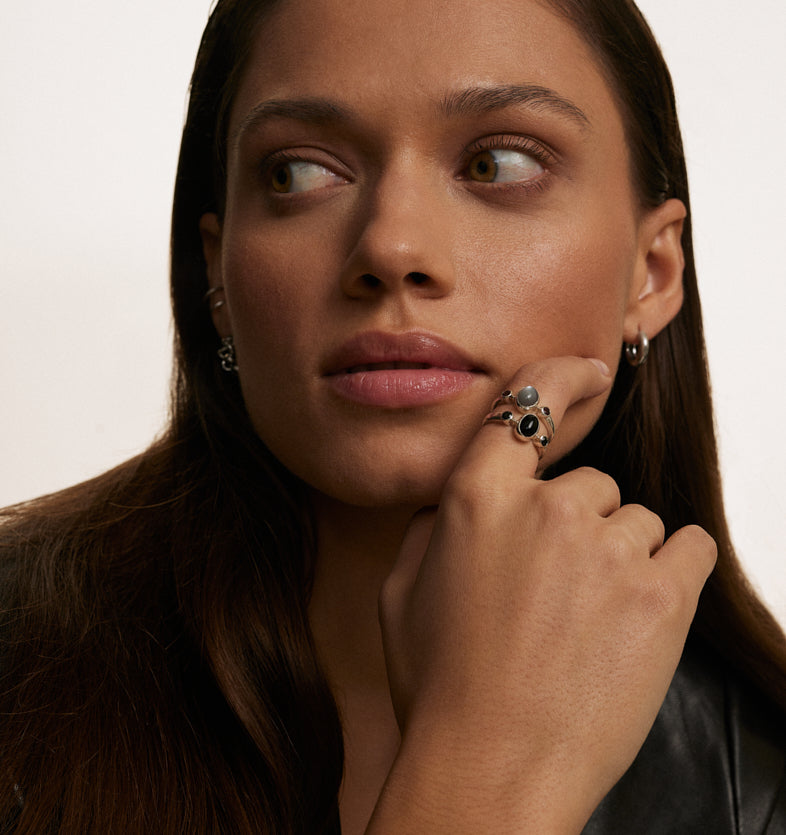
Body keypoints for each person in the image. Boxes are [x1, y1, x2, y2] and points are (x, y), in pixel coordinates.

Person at [2, 0, 785, 831]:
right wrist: (477, 771)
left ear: (653, 273)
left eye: (499, 163)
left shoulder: (755, 782)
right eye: (299, 172)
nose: (392, 248)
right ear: (216, 277)